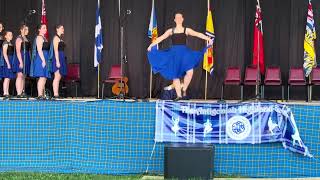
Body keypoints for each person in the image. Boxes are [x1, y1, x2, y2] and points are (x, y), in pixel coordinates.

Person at [147, 12, 213, 100]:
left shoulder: (186, 30)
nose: (178, 19)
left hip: (185, 54)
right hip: (174, 55)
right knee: (175, 75)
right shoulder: (171, 31)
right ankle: (179, 95)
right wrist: (151, 45)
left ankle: (184, 89)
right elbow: (161, 38)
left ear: (182, 19)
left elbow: (197, 34)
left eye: (180, 17)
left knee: (190, 72)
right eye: (176, 18)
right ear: (174, 20)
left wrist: (208, 38)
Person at [30, 24, 51, 100]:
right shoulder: (39, 37)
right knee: (42, 77)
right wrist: (43, 60)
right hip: (40, 58)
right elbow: (39, 49)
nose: (45, 29)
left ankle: (42, 94)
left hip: (45, 57)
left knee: (44, 77)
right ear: (39, 29)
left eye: (46, 28)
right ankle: (40, 95)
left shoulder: (44, 38)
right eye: (43, 28)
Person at [13, 24, 31, 97]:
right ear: (21, 30)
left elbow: (28, 50)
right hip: (20, 57)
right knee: (20, 75)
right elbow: (17, 51)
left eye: (27, 29)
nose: (27, 31)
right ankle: (19, 93)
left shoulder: (26, 39)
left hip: (26, 57)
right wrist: (20, 61)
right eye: (25, 29)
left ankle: (22, 92)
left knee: (24, 76)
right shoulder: (19, 38)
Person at [50, 24, 67, 99]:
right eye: (62, 28)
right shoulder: (56, 38)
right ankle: (55, 94)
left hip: (62, 57)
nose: (63, 29)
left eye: (63, 28)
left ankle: (56, 93)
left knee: (59, 76)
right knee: (57, 76)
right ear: (57, 29)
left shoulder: (60, 38)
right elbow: (56, 50)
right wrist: (57, 61)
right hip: (58, 58)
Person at [1, 31, 15, 99]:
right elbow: (4, 54)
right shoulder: (5, 43)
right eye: (9, 34)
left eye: (11, 34)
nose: (10, 35)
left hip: (10, 60)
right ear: (5, 36)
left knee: (8, 77)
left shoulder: (10, 43)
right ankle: (5, 92)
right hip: (7, 61)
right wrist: (8, 63)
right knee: (6, 77)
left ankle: (7, 92)